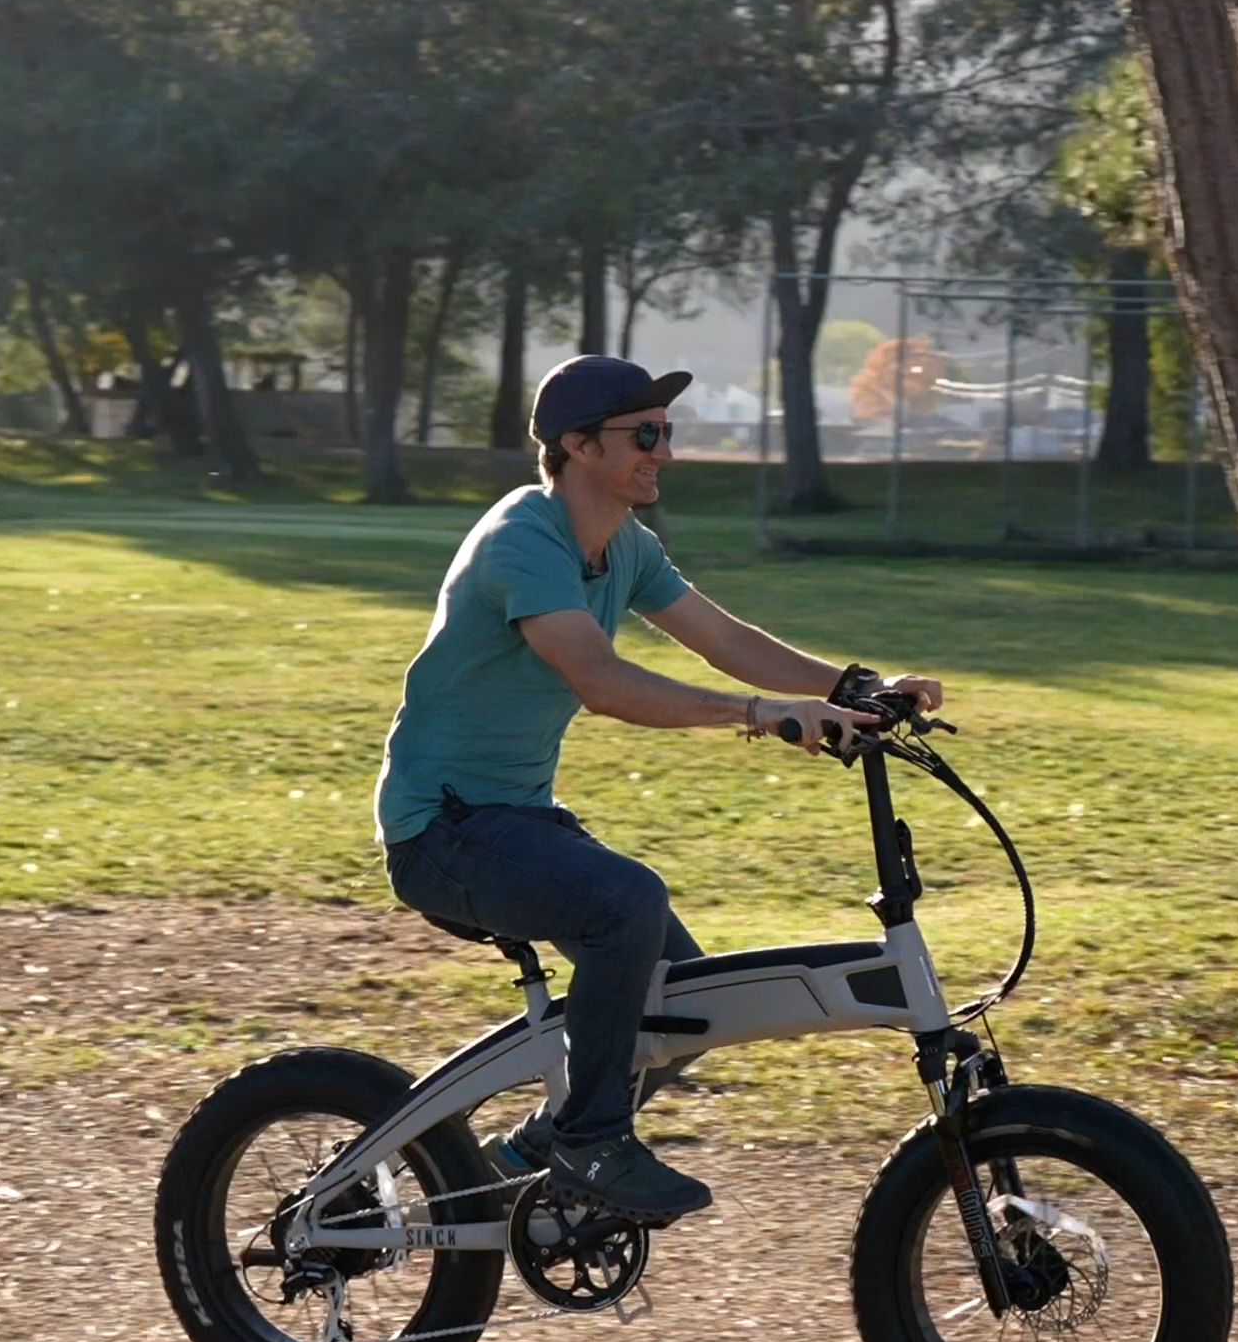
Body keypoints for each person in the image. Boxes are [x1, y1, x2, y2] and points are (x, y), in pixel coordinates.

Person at [376, 353, 943, 1222]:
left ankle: (527, 1159)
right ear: (575, 446)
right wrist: (759, 713)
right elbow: (602, 682)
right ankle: (590, 1143)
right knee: (627, 903)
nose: (663, 453)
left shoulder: (624, 545)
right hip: (441, 832)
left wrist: (853, 689)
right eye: (644, 434)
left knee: (685, 1003)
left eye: (665, 433)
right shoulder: (526, 536)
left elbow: (721, 637)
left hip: (516, 820)